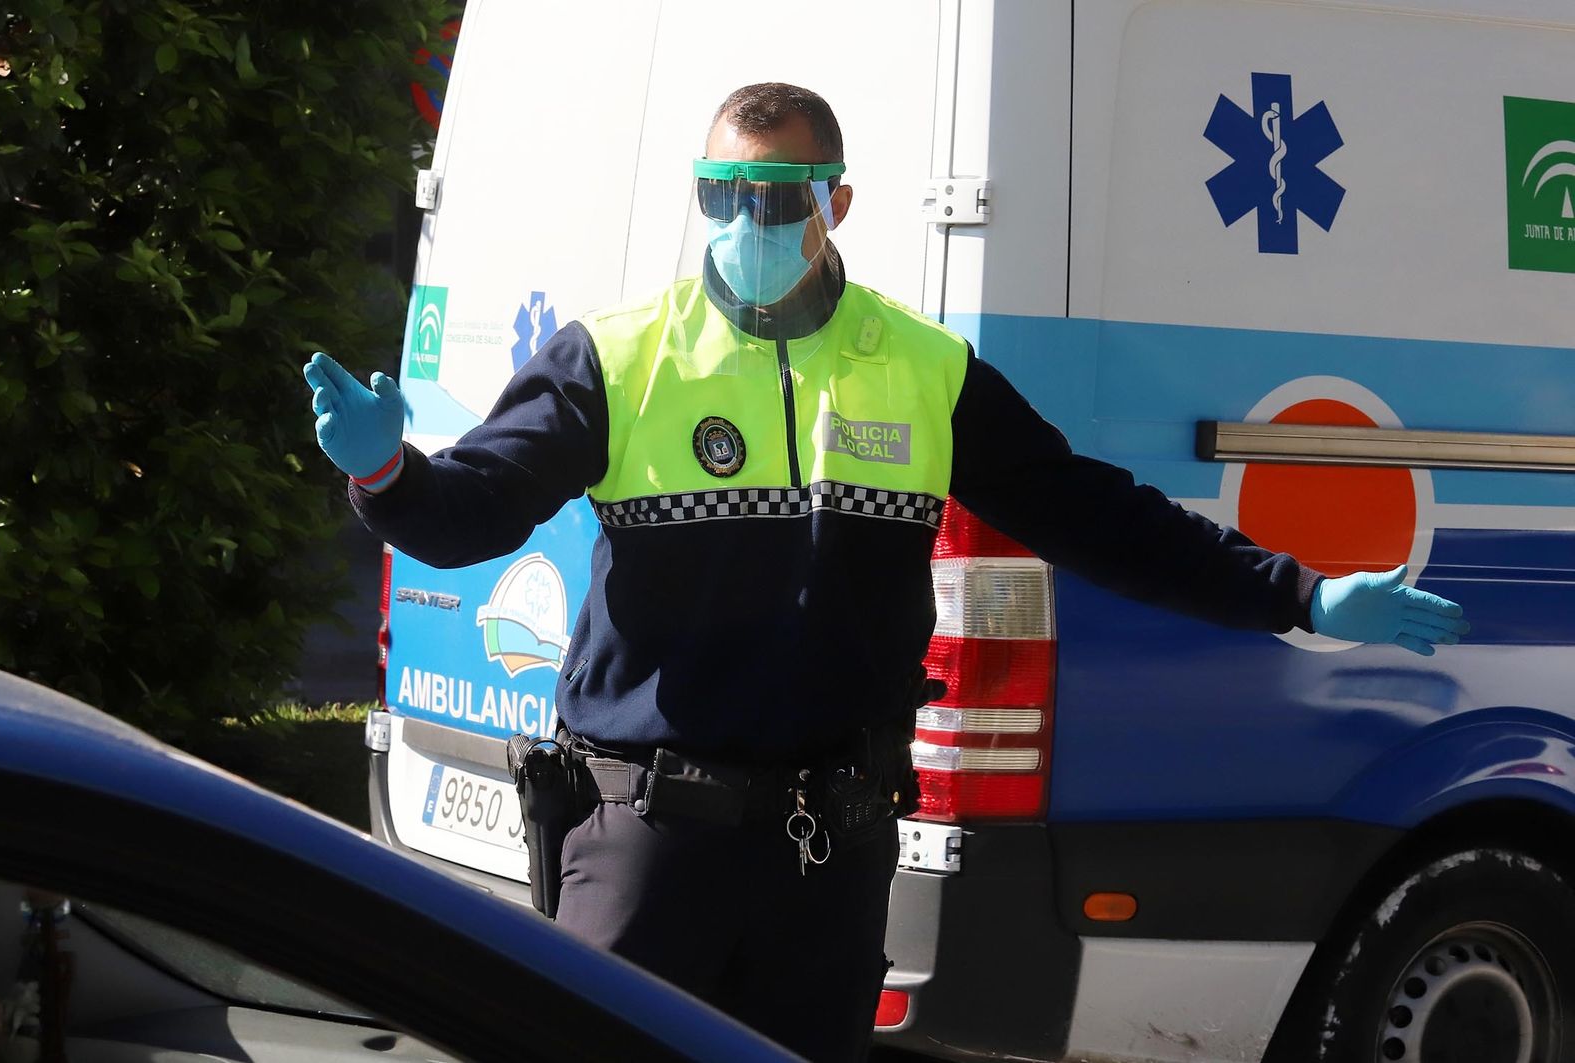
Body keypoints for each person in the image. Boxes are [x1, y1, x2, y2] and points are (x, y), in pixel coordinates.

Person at [303, 83, 1468, 1062]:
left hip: (831, 847)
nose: (745, 220)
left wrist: (1294, 592)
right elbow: (470, 514)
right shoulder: (618, 360)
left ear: (835, 201)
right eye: (723, 194)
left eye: (775, 197)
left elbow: (1098, 517)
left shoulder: (924, 370)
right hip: (649, 838)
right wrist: (391, 472)